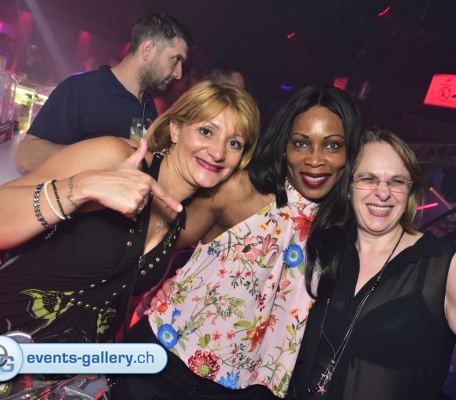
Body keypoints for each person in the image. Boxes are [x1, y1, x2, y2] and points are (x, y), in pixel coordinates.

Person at [0, 81, 260, 398]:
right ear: (175, 129)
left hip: (59, 376)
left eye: (234, 143)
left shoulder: (180, 219)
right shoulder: (115, 155)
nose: (218, 152)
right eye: (206, 131)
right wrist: (83, 188)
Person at [111, 84, 364, 399]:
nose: (314, 160)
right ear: (284, 145)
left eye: (332, 145)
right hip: (162, 362)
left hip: (248, 390)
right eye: (300, 143)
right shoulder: (242, 190)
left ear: (349, 153)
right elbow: (156, 246)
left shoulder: (347, 232)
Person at [288, 129, 456, 400]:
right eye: (368, 178)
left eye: (396, 181)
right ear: (348, 187)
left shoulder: (442, 264)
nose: (382, 192)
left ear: (410, 191)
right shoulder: (323, 247)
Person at [14, 12, 195, 173]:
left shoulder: (147, 105)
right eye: (175, 59)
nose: (178, 73)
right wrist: (105, 152)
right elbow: (26, 156)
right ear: (148, 50)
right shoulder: (80, 90)